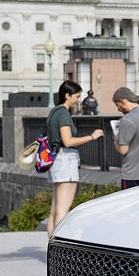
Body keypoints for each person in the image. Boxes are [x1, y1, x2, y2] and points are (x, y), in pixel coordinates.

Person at [46, 79, 106, 238]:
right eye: (77, 96)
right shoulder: (63, 113)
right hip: (65, 160)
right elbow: (68, 141)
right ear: (67, 95)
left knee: (54, 210)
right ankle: (60, 251)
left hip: (55, 160)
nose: (79, 100)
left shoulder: (54, 111)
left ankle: (51, 249)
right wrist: (92, 137)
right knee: (63, 211)